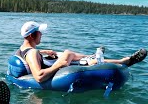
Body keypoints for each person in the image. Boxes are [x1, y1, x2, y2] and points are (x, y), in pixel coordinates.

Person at [17, 21, 147, 82]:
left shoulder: (24, 49)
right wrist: (59, 65)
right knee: (70, 54)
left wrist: (44, 51)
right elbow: (39, 77)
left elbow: (29, 54)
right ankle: (123, 61)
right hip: (51, 69)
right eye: (39, 32)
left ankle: (94, 56)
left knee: (69, 54)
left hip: (45, 61)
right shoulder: (32, 53)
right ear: (30, 36)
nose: (41, 34)